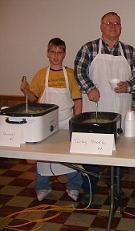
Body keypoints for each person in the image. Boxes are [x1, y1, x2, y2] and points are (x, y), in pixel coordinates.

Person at [74, 12, 135, 202]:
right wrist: (89, 88)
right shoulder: (89, 48)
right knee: (92, 150)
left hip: (120, 111)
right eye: (109, 23)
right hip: (95, 110)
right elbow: (79, 70)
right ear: (101, 26)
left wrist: (128, 86)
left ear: (121, 27)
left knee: (119, 149)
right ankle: (89, 186)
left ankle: (115, 185)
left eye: (117, 23)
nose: (113, 26)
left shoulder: (130, 51)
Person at [20, 38, 83, 201]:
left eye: (59, 52)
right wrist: (25, 90)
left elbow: (77, 100)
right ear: (48, 54)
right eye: (53, 52)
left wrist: (76, 122)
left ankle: (74, 186)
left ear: (64, 55)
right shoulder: (41, 74)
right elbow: (33, 99)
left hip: (66, 122)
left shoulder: (70, 74)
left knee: (71, 156)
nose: (56, 56)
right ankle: (42, 187)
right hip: (46, 123)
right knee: (43, 156)